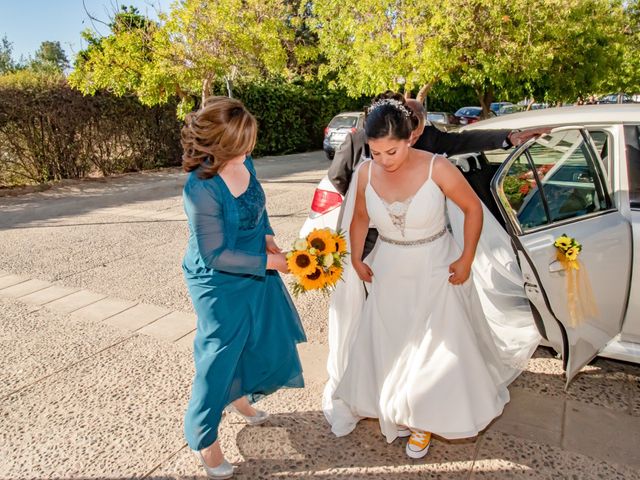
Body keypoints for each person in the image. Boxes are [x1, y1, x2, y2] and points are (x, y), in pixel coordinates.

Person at [323, 94, 540, 459]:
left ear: (410, 137)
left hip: (435, 268)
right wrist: (357, 258)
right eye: (376, 153)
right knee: (393, 342)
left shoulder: (437, 168)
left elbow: (472, 210)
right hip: (388, 269)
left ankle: (423, 420)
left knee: (435, 349)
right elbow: (360, 218)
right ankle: (396, 405)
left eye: (391, 152)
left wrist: (467, 257)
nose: (383, 161)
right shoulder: (364, 173)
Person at [181, 96, 306, 479]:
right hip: (219, 282)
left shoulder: (245, 161)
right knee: (219, 353)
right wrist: (275, 263)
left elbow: (259, 205)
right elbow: (216, 254)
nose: (250, 150)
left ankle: (237, 397)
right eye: (242, 144)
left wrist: (268, 238)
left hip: (255, 263)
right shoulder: (200, 188)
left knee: (255, 338)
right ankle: (203, 436)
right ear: (220, 146)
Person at [328, 92, 549, 259]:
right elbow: (338, 175)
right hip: (368, 235)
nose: (412, 139)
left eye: (418, 133)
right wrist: (368, 200)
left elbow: (465, 139)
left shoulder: (431, 141)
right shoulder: (359, 140)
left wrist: (509, 137)